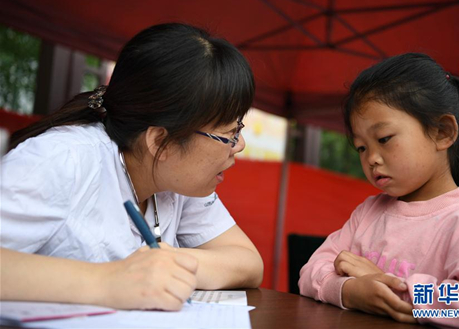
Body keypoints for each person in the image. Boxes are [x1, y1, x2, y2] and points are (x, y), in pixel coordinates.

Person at [0, 23, 263, 311]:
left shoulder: (177, 183)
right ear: (161, 140)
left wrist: (169, 265)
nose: (239, 145)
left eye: (238, 128)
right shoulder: (62, 159)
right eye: (228, 134)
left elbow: (248, 263)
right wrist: (108, 281)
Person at [298, 53, 459, 328]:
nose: (371, 158)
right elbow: (310, 271)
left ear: (442, 132)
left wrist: (398, 289)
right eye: (361, 147)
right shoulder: (368, 212)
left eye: (384, 139)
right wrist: (349, 291)